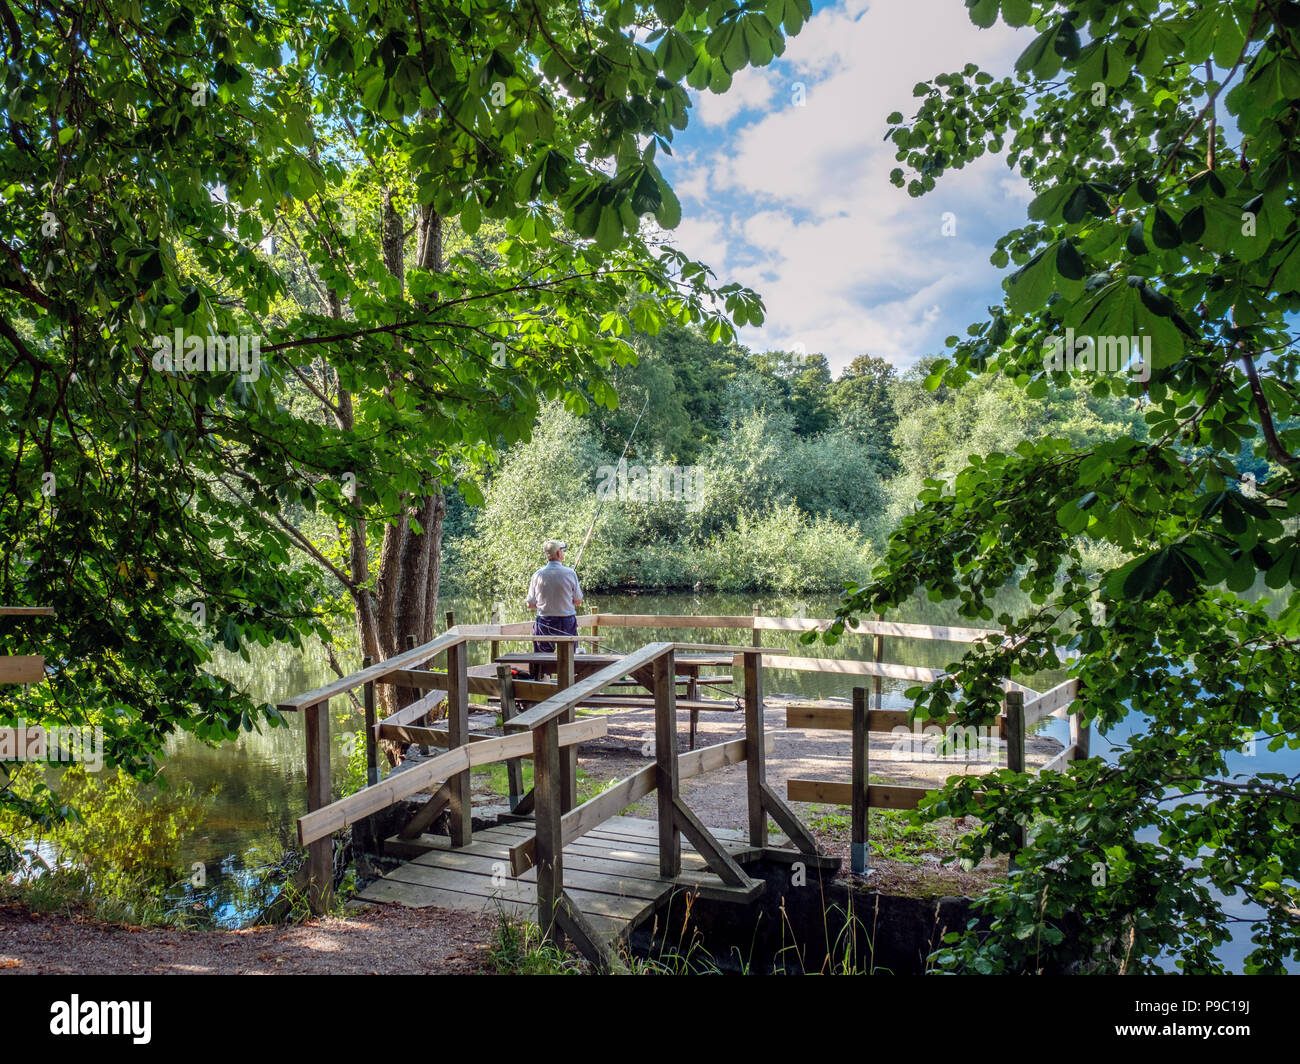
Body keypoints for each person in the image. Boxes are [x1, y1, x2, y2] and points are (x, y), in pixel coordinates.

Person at [526, 539, 583, 659]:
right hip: (567, 622)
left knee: (543, 659)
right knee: (569, 658)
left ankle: (543, 677)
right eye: (562, 550)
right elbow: (578, 601)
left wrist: (546, 605)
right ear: (558, 554)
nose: (563, 553)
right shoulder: (570, 573)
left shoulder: (537, 575)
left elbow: (530, 604)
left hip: (544, 622)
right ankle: (568, 677)